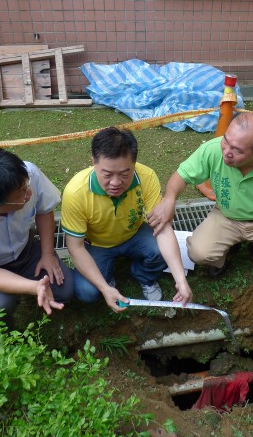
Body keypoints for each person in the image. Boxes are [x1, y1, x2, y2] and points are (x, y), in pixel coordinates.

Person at [148, 112, 253, 288]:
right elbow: (181, 176)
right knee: (198, 253)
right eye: (226, 141)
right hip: (225, 215)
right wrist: (169, 200)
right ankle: (228, 251)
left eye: (237, 150)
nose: (226, 152)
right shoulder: (213, 149)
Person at [61, 127, 193, 312]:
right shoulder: (75, 193)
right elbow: (75, 247)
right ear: (94, 163)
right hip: (98, 244)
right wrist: (105, 289)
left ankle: (143, 276)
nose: (115, 183)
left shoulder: (146, 177)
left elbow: (162, 228)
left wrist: (180, 279)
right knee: (87, 292)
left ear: (134, 164)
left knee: (162, 251)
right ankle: (107, 279)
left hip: (135, 234)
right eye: (107, 174)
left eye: (124, 174)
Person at [0, 149, 74, 328]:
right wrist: (32, 287)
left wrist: (47, 254)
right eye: (21, 195)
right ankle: (10, 339)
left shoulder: (29, 172)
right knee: (1, 306)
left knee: (64, 290)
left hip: (27, 251)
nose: (29, 194)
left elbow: (44, 210)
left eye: (27, 186)